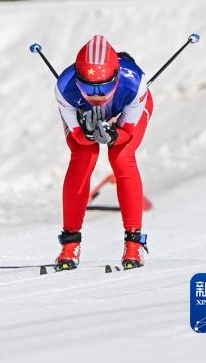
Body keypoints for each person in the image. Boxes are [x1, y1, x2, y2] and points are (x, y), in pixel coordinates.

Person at [53, 35, 153, 271]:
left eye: (104, 87)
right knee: (83, 156)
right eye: (88, 87)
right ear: (77, 80)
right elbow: (78, 137)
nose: (96, 95)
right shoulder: (64, 88)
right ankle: (70, 244)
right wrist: (86, 132)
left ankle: (134, 243)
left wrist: (114, 135)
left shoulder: (135, 83)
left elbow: (127, 132)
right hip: (81, 113)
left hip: (126, 108)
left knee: (121, 156)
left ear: (116, 78)